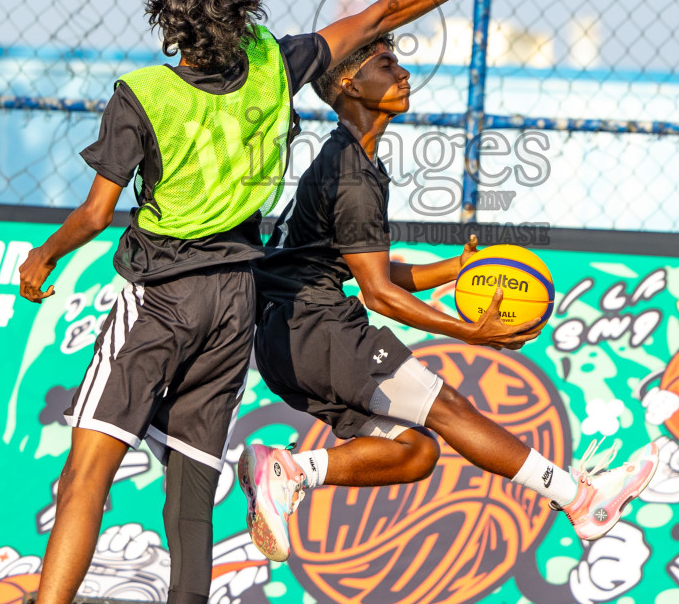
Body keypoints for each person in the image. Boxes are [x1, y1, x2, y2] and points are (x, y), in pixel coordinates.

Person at [15, 0, 545, 604]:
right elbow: (382, 13)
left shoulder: (144, 93)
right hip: (236, 305)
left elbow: (96, 216)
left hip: (162, 297)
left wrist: (44, 254)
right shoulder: (274, 65)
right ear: (242, 16)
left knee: (88, 469)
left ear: (169, 22)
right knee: (191, 502)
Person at [237, 34, 657, 563]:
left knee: (414, 452)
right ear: (349, 83)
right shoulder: (353, 174)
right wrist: (469, 332)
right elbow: (378, 294)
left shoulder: (348, 159)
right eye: (386, 64)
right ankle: (580, 500)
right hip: (315, 327)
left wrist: (455, 269)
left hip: (287, 340)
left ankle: (294, 471)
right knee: (450, 409)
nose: (403, 73)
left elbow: (372, 268)